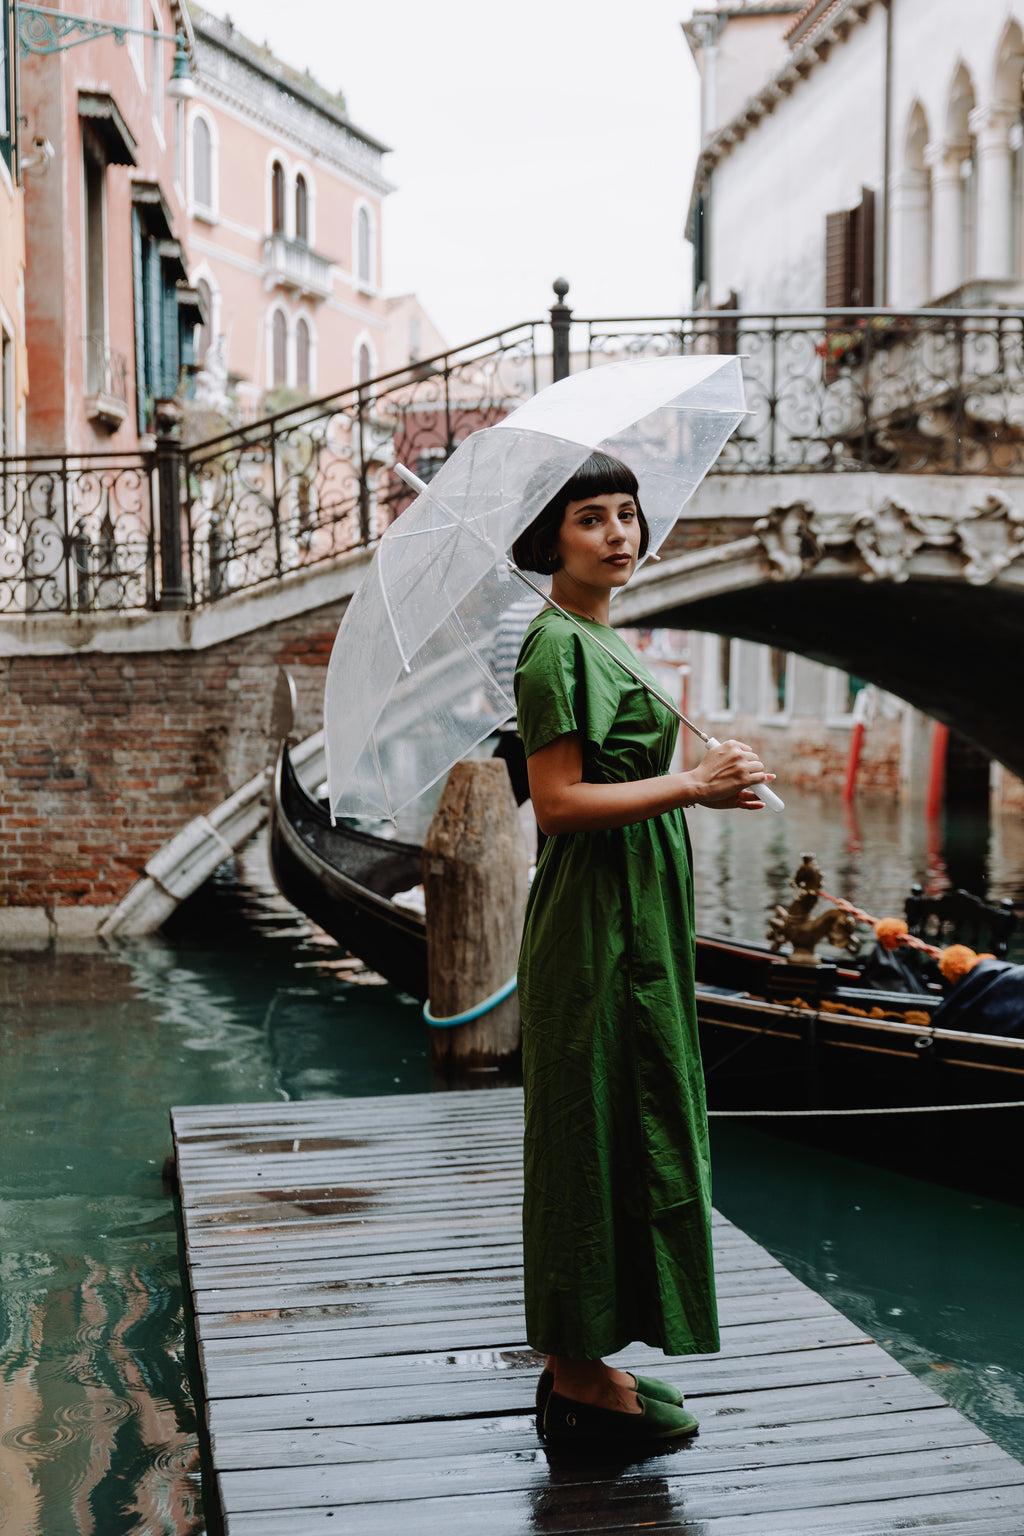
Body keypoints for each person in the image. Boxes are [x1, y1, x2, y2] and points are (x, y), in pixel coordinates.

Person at [511, 450, 772, 1445]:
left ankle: (593, 1352)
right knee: (585, 1126)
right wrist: (690, 786)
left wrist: (713, 787)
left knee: (633, 1110)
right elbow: (556, 803)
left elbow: (628, 778)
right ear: (551, 540)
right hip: (593, 919)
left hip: (637, 908)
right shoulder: (554, 646)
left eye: (625, 512)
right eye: (590, 517)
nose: (617, 532)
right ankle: (574, 1374)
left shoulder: (603, 636)